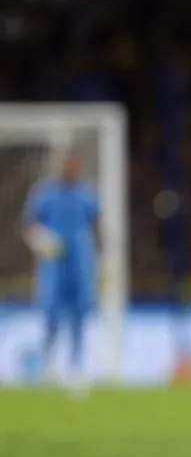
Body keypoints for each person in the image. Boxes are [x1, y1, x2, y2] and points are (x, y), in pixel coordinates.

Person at [22, 155, 99, 389]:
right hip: (54, 263)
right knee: (51, 316)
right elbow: (30, 226)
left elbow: (96, 223)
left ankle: (76, 368)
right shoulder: (45, 194)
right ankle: (48, 366)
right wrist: (42, 241)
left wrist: (101, 257)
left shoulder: (87, 194)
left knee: (78, 317)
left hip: (80, 262)